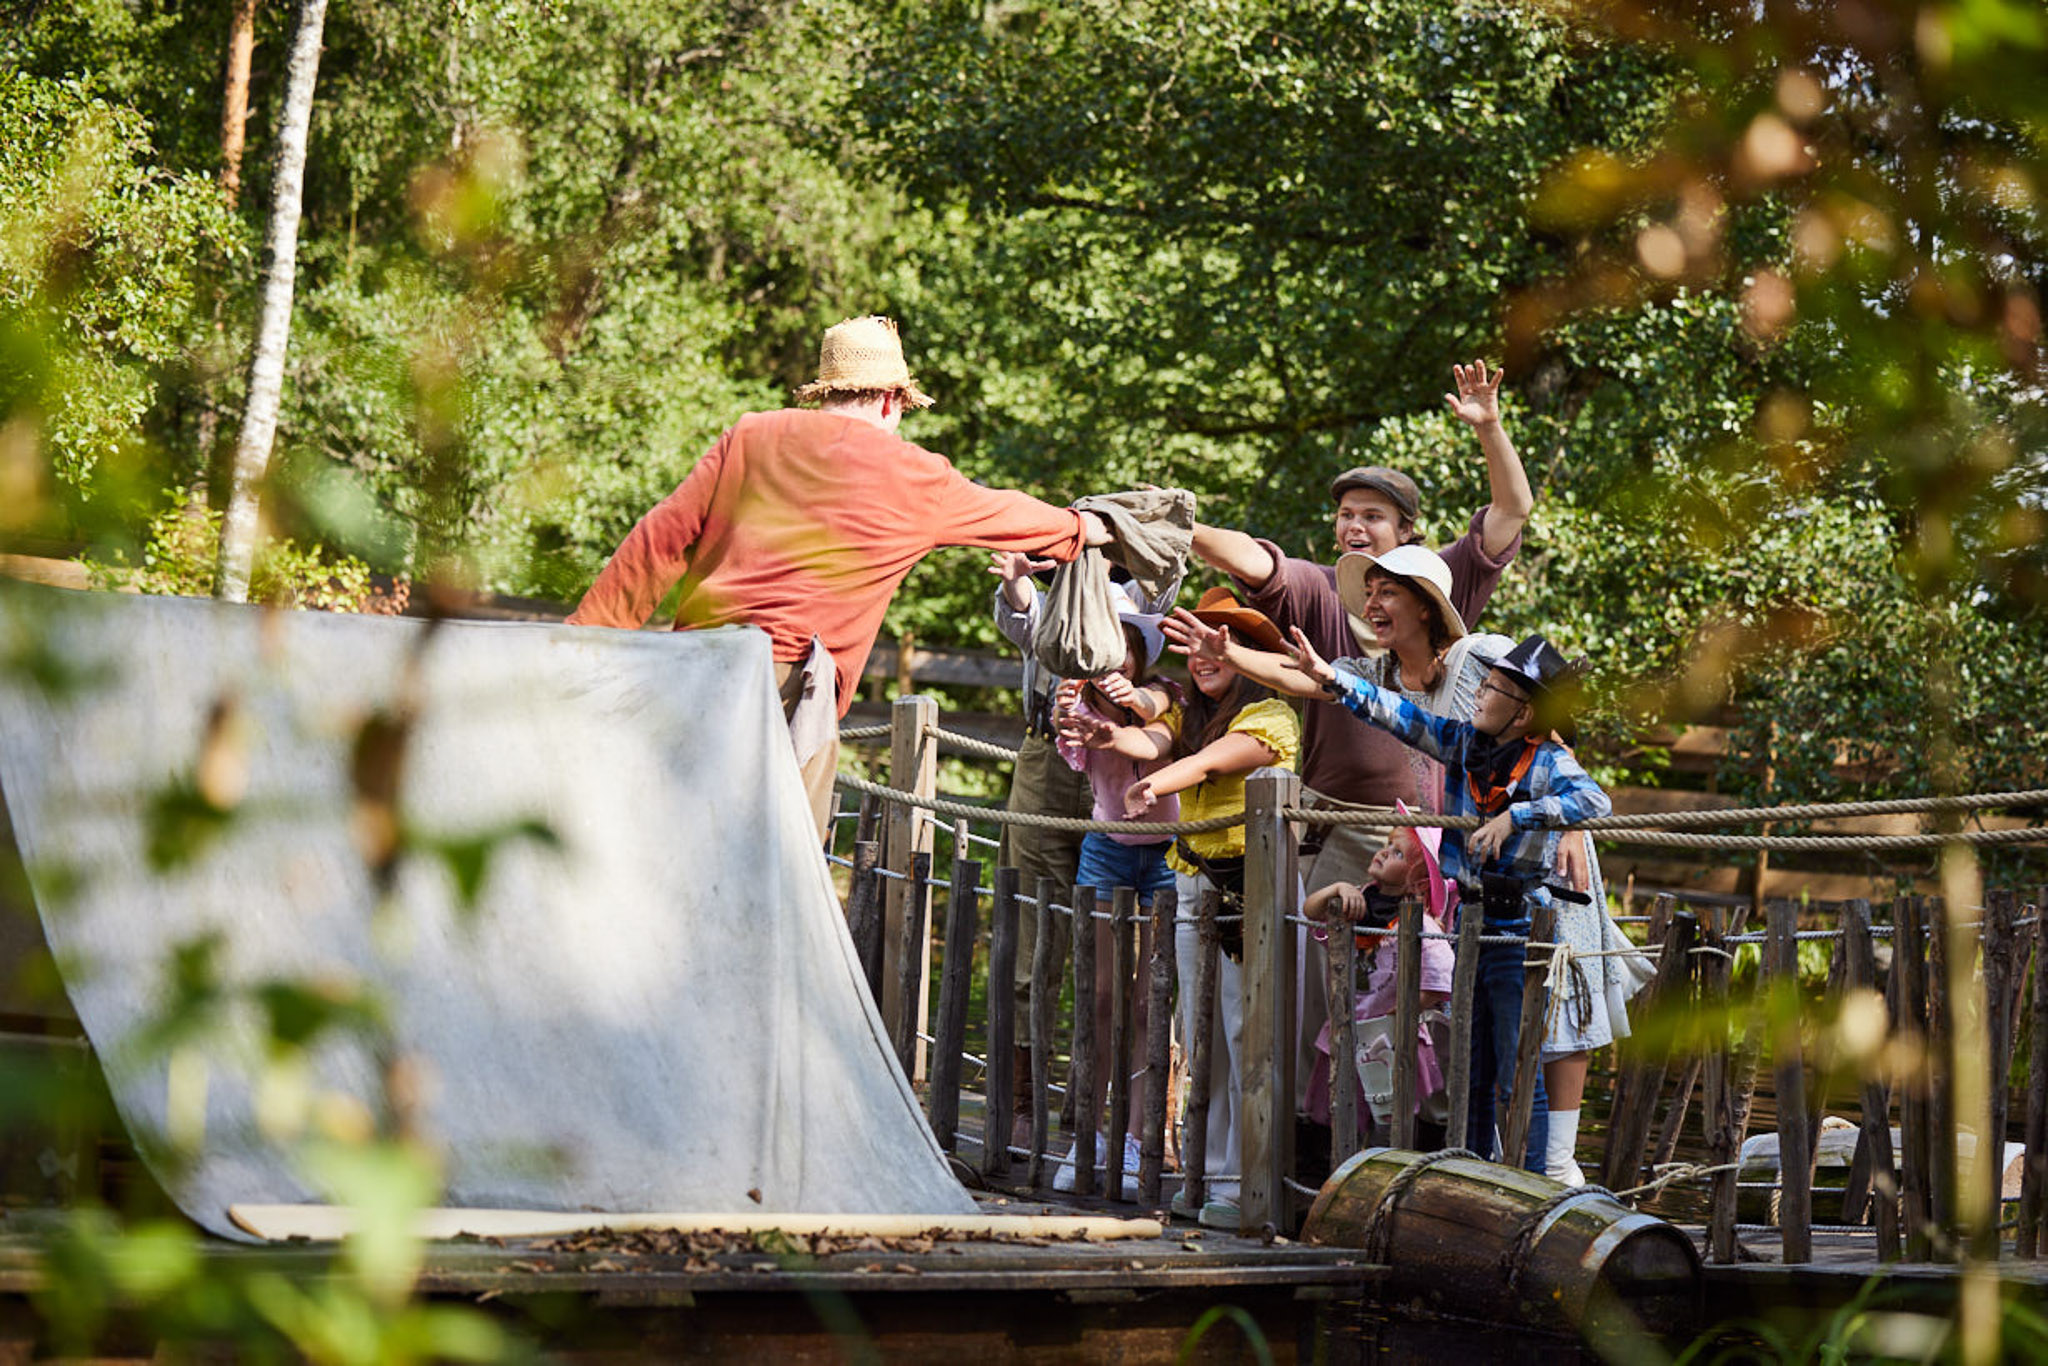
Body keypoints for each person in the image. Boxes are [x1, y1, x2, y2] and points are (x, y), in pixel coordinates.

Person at [566, 315, 1111, 838]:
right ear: (892, 400)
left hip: (698, 669)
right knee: (780, 865)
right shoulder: (919, 477)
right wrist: (1086, 527)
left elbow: (661, 538)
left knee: (670, 835)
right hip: (793, 691)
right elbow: (1016, 517)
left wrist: (586, 638)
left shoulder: (750, 436)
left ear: (826, 391)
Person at [1184, 362, 1548, 1136]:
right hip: (1339, 824)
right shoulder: (1324, 591)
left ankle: (1441, 1139)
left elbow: (1512, 509)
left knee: (1438, 989)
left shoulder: (1439, 586)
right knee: (1331, 990)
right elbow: (1261, 575)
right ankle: (1324, 1140)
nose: (1355, 528)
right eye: (1346, 514)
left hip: (1435, 829)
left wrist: (1488, 425)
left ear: (1408, 538)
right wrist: (1176, 529)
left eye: (1373, 515)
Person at [1285, 630, 1610, 1175]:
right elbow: (1399, 716)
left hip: (1517, 927)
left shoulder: (1548, 761)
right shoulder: (1466, 744)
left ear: (1524, 713)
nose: (1479, 693)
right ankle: (1474, 1167)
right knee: (1474, 1060)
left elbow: (1595, 800)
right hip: (1469, 920)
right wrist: (1332, 679)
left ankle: (1532, 1178)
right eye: (1483, 682)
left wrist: (1518, 815)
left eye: (1495, 688)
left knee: (1517, 1061)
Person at [1067, 588, 1301, 1228]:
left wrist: (1157, 782)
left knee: (1243, 1028)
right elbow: (1155, 743)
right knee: (1204, 1040)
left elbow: (1211, 762)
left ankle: (1248, 1181)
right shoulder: (1190, 712)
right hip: (1195, 884)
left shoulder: (1276, 714)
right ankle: (1215, 1173)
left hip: (1251, 890)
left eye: (1218, 642)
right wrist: (1115, 735)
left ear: (1250, 654)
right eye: (1194, 642)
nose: (1202, 655)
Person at [989, 554, 1180, 1157]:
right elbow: (1020, 610)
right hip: (1053, 762)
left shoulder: (1141, 608)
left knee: (1133, 962)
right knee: (1034, 929)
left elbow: (1167, 584)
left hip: (1132, 770)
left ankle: (1120, 1113)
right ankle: (1024, 1102)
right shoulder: (1051, 609)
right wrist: (1018, 577)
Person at [1046, 600, 1181, 1194]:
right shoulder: (1074, 700)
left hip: (1169, 855)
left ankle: (1134, 1141)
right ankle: (1089, 1136)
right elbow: (1075, 745)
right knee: (1100, 995)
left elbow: (1150, 724)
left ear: (1138, 653)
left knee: (1150, 1002)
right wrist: (1066, 716)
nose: (1114, 657)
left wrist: (1119, 717)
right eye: (1103, 644)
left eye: (1124, 645)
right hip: (1105, 846)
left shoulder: (1165, 691)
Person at [1301, 805, 1456, 1146]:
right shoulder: (1356, 901)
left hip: (1389, 1037)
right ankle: (1344, 1168)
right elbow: (1311, 911)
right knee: (1344, 1109)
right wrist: (1337, 888)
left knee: (1390, 1113)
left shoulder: (1420, 925)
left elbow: (1440, 978)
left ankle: (1385, 1172)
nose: (1385, 851)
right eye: (1388, 843)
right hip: (1348, 1028)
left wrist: (1402, 1012)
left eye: (1398, 852)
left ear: (1416, 880)